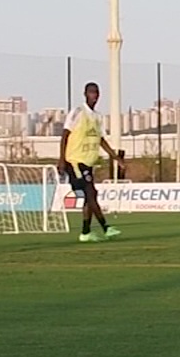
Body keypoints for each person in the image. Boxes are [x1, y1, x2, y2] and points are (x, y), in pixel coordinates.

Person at [59, 82, 123, 243]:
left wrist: (116, 158)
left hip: (88, 163)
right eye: (92, 92)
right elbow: (65, 135)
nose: (95, 96)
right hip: (75, 161)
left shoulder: (98, 117)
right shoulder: (78, 112)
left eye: (97, 93)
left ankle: (86, 232)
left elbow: (101, 140)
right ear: (85, 94)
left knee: (90, 197)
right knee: (91, 193)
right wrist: (61, 160)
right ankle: (106, 228)